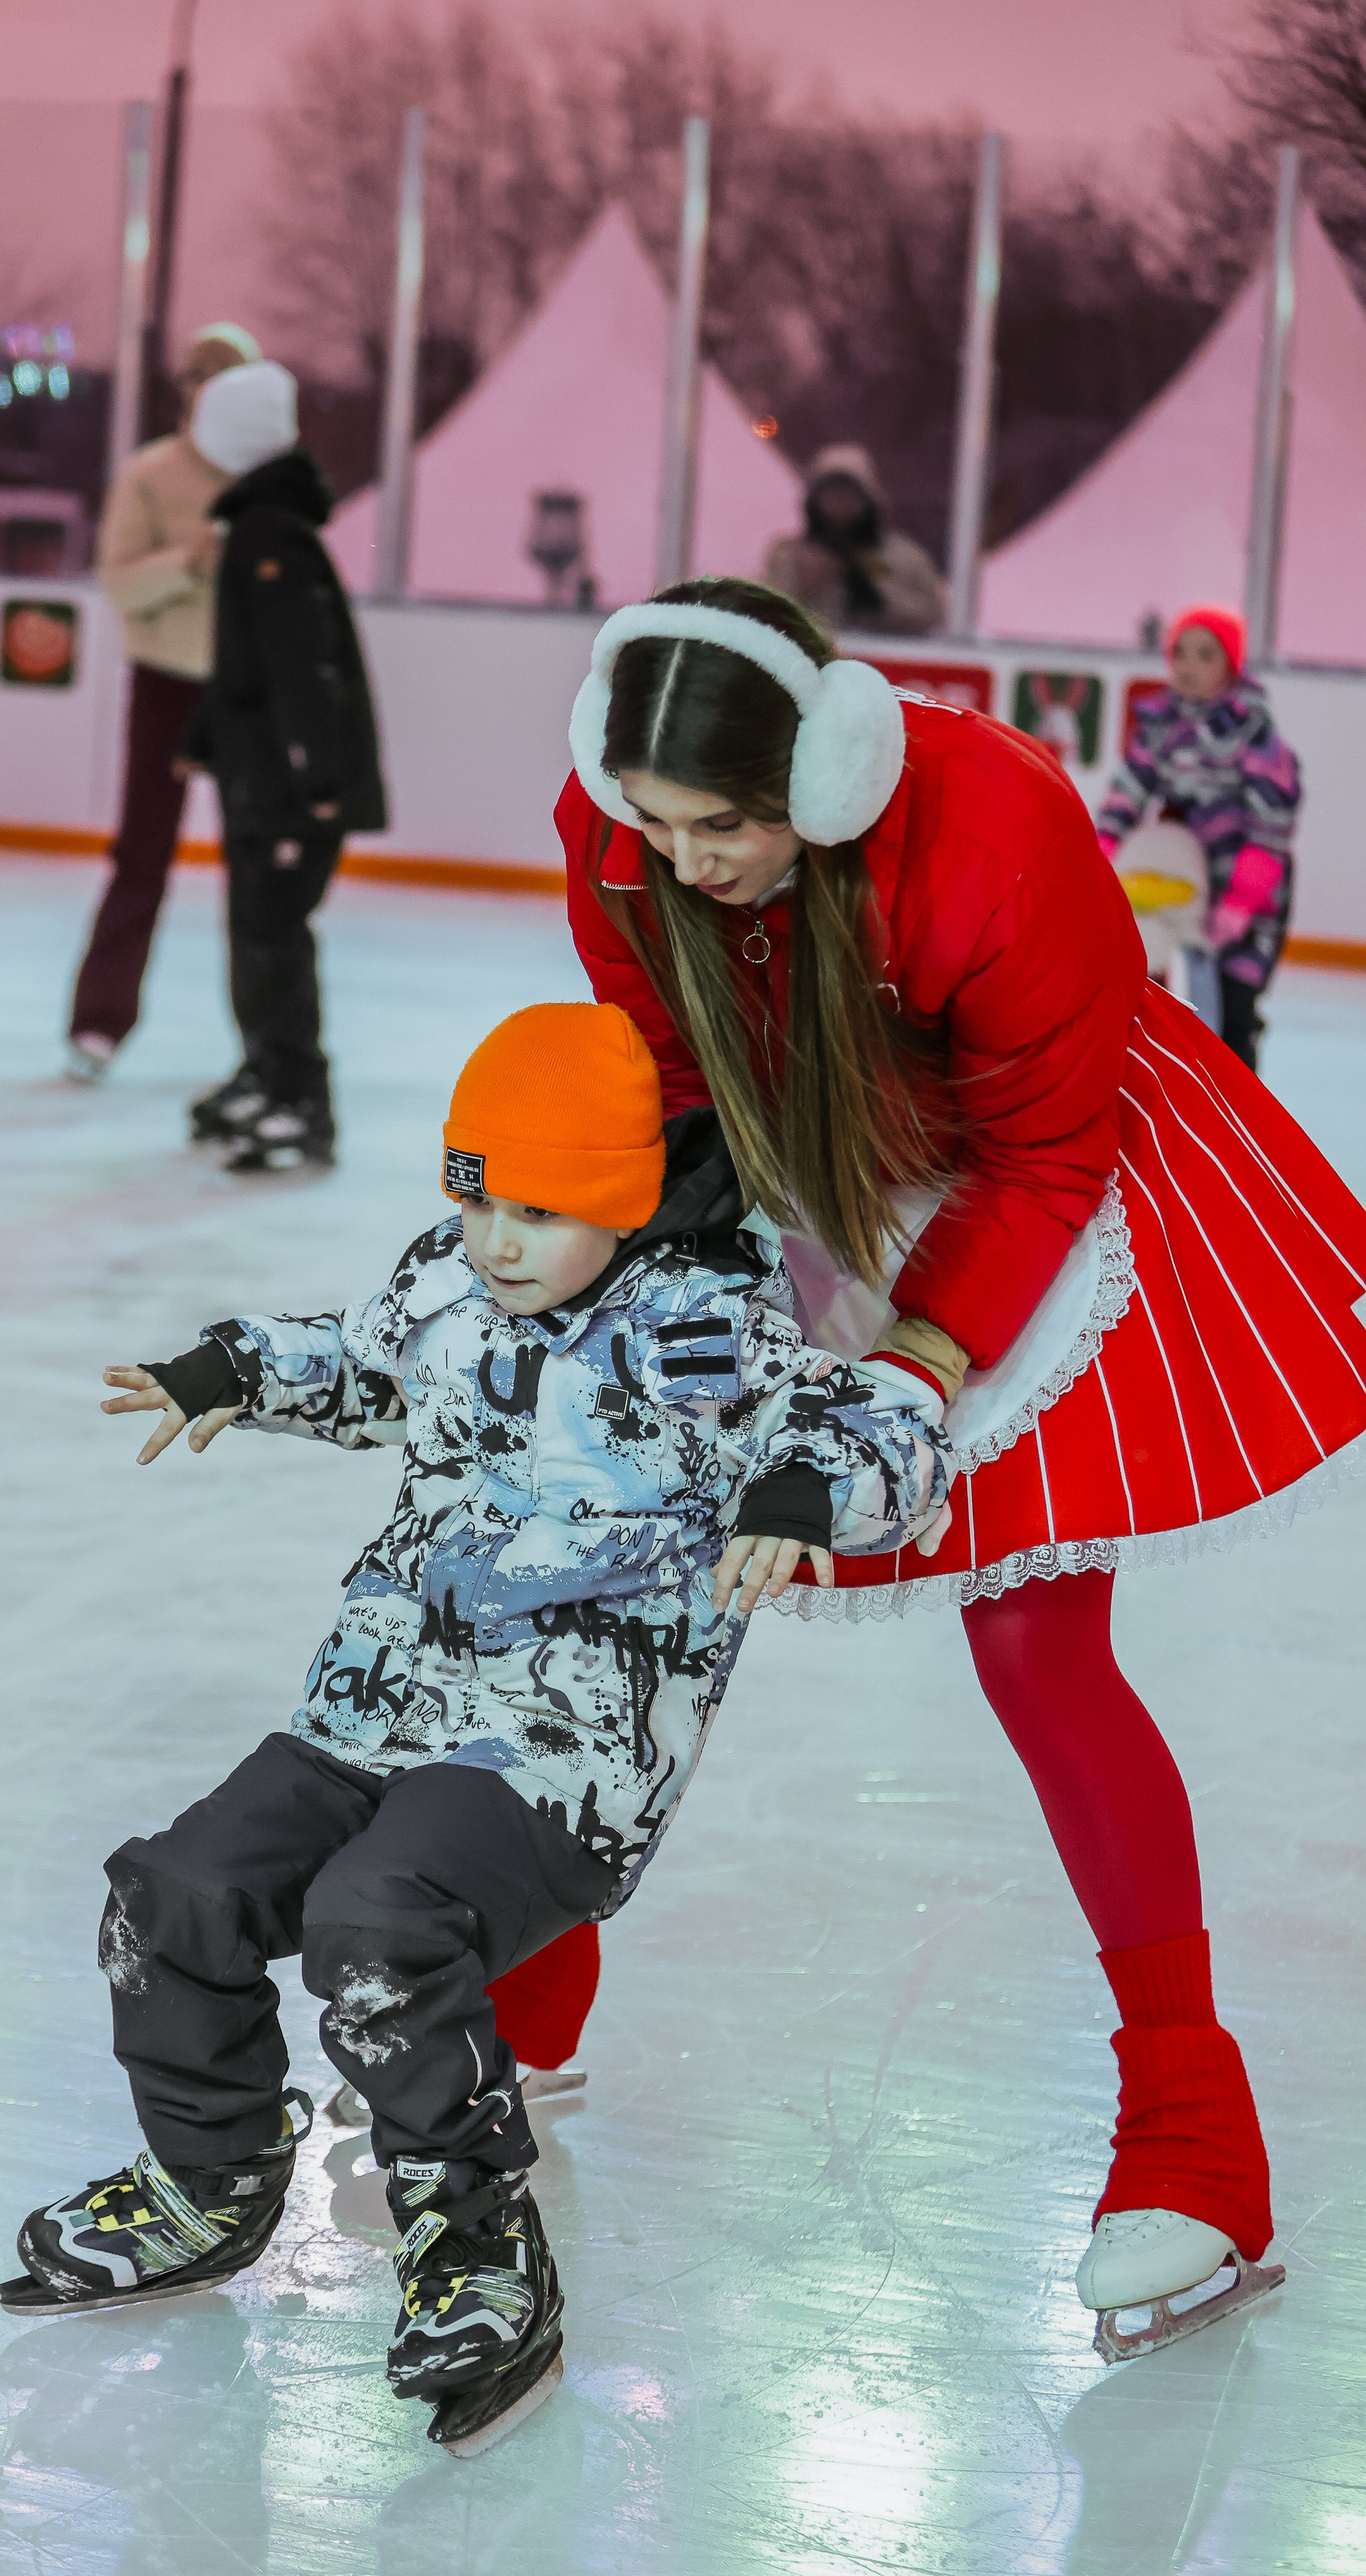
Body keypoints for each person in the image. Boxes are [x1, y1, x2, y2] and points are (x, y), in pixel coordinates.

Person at [547, 574, 1366, 2361]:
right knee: (636, 1556)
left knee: (1037, 1646)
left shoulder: (995, 833)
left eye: (729, 828)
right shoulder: (620, 835)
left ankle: (1195, 2135)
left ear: (825, 786)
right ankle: (523, 1982)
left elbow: (1048, 1145)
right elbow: (669, 1070)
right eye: (658, 827)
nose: (689, 867)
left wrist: (923, 1360)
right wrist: (688, 1309)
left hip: (1023, 1184)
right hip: (792, 1175)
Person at [0, 1001, 954, 2458]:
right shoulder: (448, 1285)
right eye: (476, 1192)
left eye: (542, 1208)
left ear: (624, 1200)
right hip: (376, 1703)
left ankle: (475, 2247)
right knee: (169, 1894)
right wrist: (234, 1369)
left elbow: (879, 1424)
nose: (498, 1238)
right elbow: (366, 1363)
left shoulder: (707, 1327)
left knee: (372, 1927)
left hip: (564, 1751)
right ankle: (207, 2179)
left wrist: (797, 1495)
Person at [179, 361, 386, 1172]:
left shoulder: (270, 535)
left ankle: (301, 1102)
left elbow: (306, 671)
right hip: (265, 782)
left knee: (273, 934)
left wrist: (321, 784)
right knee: (255, 929)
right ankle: (267, 1072)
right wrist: (203, 737)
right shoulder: (260, 526)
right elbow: (246, 664)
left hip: (289, 791)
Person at [66, 322, 263, 1081]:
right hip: (167, 685)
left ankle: (263, 1044)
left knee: (256, 866)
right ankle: (100, 1020)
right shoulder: (149, 474)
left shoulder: (271, 480)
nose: (206, 387)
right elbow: (117, 579)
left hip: (247, 691)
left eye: (224, 374)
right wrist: (190, 563)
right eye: (197, 373)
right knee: (141, 854)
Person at [1098, 604, 1301, 1073]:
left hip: (1249, 897)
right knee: (1171, 1003)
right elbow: (1128, 793)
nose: (1189, 666)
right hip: (1184, 885)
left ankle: (1241, 1113)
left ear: (1231, 664)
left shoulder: (1256, 736)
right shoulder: (1161, 726)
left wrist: (1241, 903)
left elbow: (1272, 828)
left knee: (1232, 1012)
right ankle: (1176, 1096)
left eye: (1205, 655)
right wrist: (1102, 853)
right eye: (1181, 653)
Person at [762, 443, 945, 638]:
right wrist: (804, 584)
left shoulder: (901, 557)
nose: (840, 502)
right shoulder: (789, 556)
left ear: (869, 499)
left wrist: (869, 582)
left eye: (850, 493)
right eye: (831, 493)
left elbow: (932, 616)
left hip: (886, 663)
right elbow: (762, 613)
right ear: (814, 500)